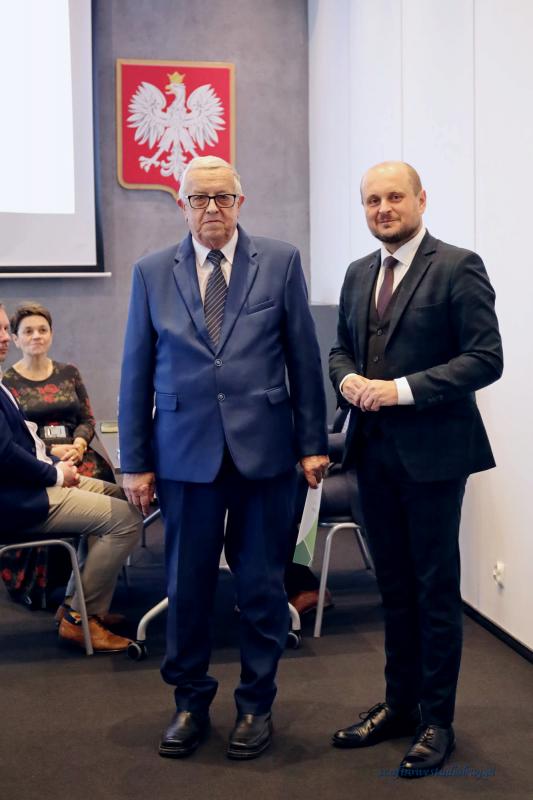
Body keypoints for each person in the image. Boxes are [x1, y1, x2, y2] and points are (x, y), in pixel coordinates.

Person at [119, 155, 329, 760]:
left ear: (241, 202)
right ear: (180, 204)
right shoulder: (150, 272)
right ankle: (189, 702)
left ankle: (256, 704)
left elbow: (303, 358)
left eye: (223, 197)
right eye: (199, 198)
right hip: (184, 458)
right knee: (186, 588)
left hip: (265, 456)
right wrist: (135, 460)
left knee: (262, 587)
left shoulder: (280, 261)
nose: (212, 208)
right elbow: (136, 370)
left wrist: (313, 443)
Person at [328, 161, 503, 778]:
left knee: (434, 591)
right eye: (372, 200)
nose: (383, 209)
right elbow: (340, 348)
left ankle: (437, 720)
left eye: (394, 197)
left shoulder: (458, 266)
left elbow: (485, 358)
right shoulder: (358, 273)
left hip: (434, 457)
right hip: (371, 456)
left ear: (421, 199)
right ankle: (400, 705)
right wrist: (347, 379)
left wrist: (399, 390)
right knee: (394, 589)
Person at [0, 302, 143, 652]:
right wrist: (55, 473)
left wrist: (56, 463)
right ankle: (81, 619)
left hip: (37, 478)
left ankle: (73, 605)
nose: (4, 337)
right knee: (126, 519)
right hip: (19, 498)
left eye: (4, 329)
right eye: (1, 331)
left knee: (123, 497)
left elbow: (26, 443)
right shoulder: (7, 379)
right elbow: (5, 455)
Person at [1, 302, 115, 609]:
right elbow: (13, 441)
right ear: (17, 339)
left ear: (51, 334)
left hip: (78, 454)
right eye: (28, 331)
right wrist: (52, 452)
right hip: (39, 459)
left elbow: (87, 419)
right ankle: (59, 590)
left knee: (111, 492)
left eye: (43, 330)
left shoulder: (69, 373)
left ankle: (90, 584)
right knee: (99, 509)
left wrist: (78, 444)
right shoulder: (7, 381)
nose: (37, 336)